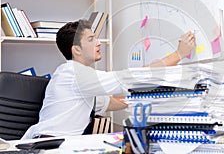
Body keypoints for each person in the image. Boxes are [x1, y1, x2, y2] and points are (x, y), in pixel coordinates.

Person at [22, 19, 195, 139]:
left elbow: (113, 102)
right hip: (50, 145)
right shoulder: (74, 74)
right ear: (77, 50)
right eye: (91, 39)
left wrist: (154, 95)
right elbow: (128, 79)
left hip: (63, 144)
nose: (98, 43)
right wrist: (178, 54)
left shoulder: (83, 81)